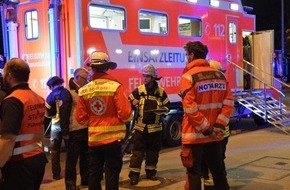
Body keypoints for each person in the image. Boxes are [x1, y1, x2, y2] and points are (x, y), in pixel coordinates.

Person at [179, 41, 234, 190]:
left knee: (194, 173)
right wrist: (217, 126)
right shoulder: (220, 75)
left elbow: (190, 109)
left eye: (186, 55)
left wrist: (206, 128)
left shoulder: (188, 77)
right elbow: (228, 103)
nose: (186, 58)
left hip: (195, 136)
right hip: (215, 136)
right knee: (218, 172)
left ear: (191, 55)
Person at [75, 51, 132, 190]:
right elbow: (126, 114)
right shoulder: (115, 87)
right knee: (112, 174)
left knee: (94, 174)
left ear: (92, 68)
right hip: (113, 141)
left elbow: (80, 119)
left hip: (94, 141)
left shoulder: (84, 90)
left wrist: (94, 120)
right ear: (107, 67)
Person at [0, 58, 47, 190]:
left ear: (9, 76)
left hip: (19, 163)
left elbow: (8, 138)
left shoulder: (13, 101)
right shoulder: (37, 97)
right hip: (38, 159)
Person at [128, 64, 170, 186]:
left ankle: (151, 172)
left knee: (153, 152)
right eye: (144, 76)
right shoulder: (139, 90)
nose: (145, 78)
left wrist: (163, 110)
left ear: (153, 78)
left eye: (147, 76)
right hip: (140, 127)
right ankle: (134, 175)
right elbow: (129, 101)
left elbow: (167, 106)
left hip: (155, 128)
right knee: (137, 152)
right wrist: (133, 102)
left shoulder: (161, 92)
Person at [65, 68, 90, 190]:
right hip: (73, 130)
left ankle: (85, 179)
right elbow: (64, 113)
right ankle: (70, 184)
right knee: (72, 159)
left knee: (85, 157)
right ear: (78, 77)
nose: (87, 82)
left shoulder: (83, 90)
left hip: (85, 128)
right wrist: (65, 132)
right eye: (86, 79)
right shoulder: (68, 92)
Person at [45, 75, 72, 180]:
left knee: (55, 150)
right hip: (67, 125)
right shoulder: (66, 93)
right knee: (70, 151)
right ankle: (70, 172)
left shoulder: (50, 96)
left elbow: (48, 114)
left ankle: (56, 174)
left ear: (51, 85)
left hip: (55, 126)